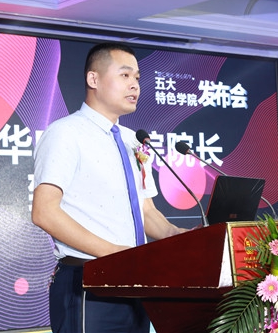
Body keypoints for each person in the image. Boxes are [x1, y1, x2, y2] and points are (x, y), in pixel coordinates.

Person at [32, 42, 186, 333]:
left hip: (135, 280)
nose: (135, 85)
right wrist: (116, 254)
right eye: (125, 75)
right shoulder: (65, 133)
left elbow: (146, 211)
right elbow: (44, 212)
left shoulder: (133, 140)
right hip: (89, 281)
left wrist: (178, 236)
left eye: (137, 77)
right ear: (93, 79)